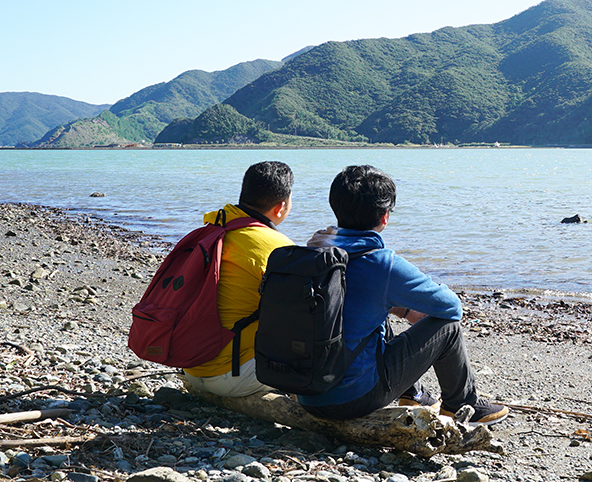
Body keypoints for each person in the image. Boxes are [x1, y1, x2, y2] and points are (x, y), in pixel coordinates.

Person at [296, 165, 508, 426]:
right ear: (385, 217)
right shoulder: (380, 263)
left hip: (307, 392)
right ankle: (463, 405)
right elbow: (452, 307)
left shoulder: (315, 250)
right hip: (350, 399)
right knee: (448, 327)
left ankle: (413, 394)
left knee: (374, 315)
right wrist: (406, 307)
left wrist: (400, 308)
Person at [182, 161, 295, 397]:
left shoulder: (213, 228)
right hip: (232, 377)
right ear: (281, 207)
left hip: (190, 366)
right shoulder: (278, 248)